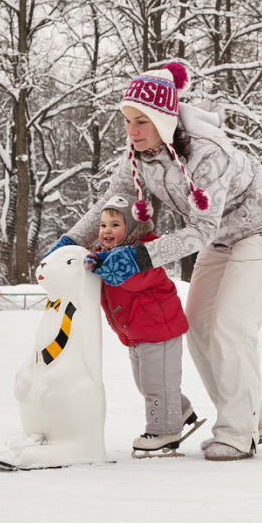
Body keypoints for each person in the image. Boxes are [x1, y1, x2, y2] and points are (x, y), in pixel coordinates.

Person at [49, 61, 262, 461]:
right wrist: (71, 241)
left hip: (261, 228)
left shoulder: (207, 154)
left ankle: (237, 431)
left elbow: (201, 230)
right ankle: (252, 418)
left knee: (230, 327)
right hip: (219, 238)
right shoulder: (137, 155)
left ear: (163, 120)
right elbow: (113, 200)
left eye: (141, 121)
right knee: (196, 326)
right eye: (127, 120)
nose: (132, 130)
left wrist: (141, 256)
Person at [88, 193, 199, 456]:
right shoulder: (109, 255)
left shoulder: (146, 253)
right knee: (148, 383)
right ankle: (179, 409)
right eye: (103, 225)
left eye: (116, 225)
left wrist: (103, 266)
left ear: (133, 228)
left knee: (155, 384)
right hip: (138, 332)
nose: (107, 231)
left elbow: (131, 281)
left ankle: (165, 430)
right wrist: (99, 263)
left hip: (158, 330)